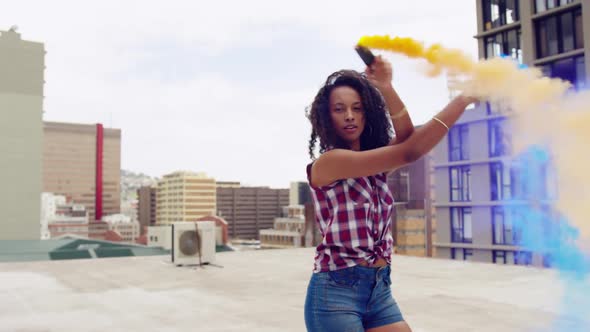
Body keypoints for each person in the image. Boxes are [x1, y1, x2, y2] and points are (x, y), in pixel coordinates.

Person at [304, 55, 477, 332]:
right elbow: (410, 150)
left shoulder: (374, 166)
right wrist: (462, 100)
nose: (349, 115)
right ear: (326, 117)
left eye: (357, 108)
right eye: (339, 109)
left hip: (379, 288)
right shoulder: (330, 162)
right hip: (336, 292)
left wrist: (386, 86)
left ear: (367, 113)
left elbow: (406, 135)